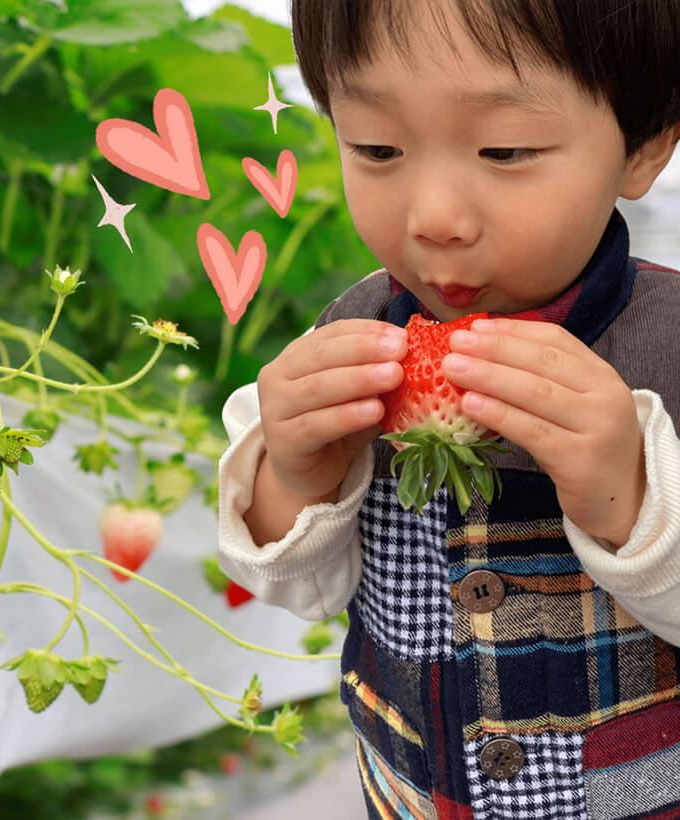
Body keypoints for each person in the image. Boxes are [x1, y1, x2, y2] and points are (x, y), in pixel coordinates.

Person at [215, 2, 680, 817]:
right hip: (413, 789)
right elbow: (302, 590)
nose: (434, 219)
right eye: (377, 148)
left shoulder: (668, 344)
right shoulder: (349, 338)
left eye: (505, 150)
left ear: (644, 147)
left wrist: (631, 501)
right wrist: (294, 479)